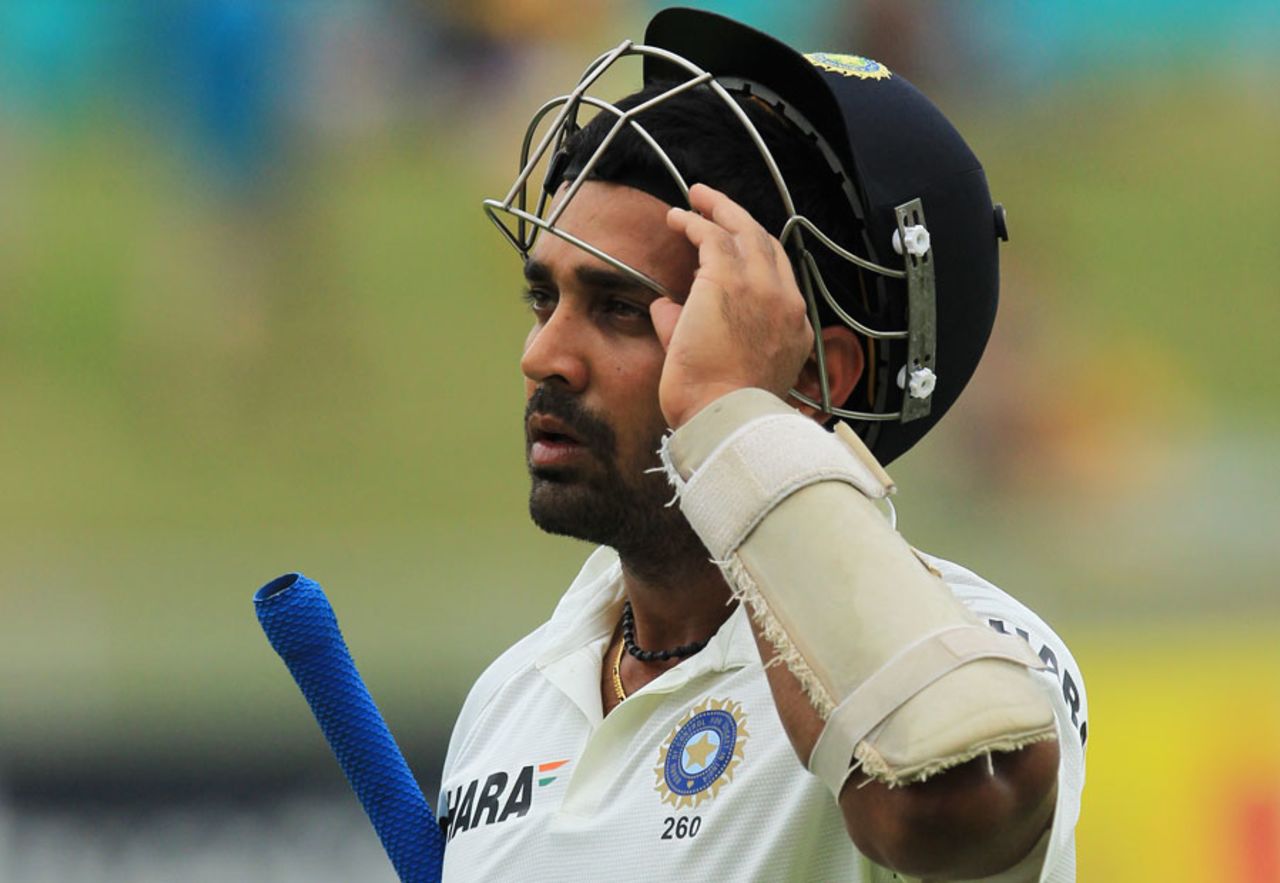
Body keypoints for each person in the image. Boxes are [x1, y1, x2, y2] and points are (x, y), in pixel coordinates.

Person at [438, 8, 1087, 881]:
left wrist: (734, 418)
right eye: (542, 300)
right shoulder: (510, 697)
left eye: (621, 309)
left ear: (815, 375)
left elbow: (950, 813)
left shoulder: (978, 649)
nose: (542, 355)